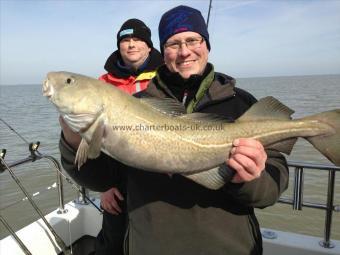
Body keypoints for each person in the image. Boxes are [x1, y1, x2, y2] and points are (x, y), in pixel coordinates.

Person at [60, 5, 289, 255]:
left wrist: (249, 180)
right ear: (162, 50)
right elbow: (103, 178)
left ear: (206, 44)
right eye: (173, 43)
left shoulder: (241, 103)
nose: (185, 51)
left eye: (193, 40)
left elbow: (271, 189)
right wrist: (73, 142)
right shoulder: (133, 107)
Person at [59, 18, 163, 255]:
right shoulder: (102, 84)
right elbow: (95, 141)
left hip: (159, 178)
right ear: (119, 46)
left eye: (137, 39)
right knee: (113, 243)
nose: (131, 45)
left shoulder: (166, 76)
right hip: (117, 184)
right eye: (125, 40)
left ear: (149, 45)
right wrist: (104, 186)